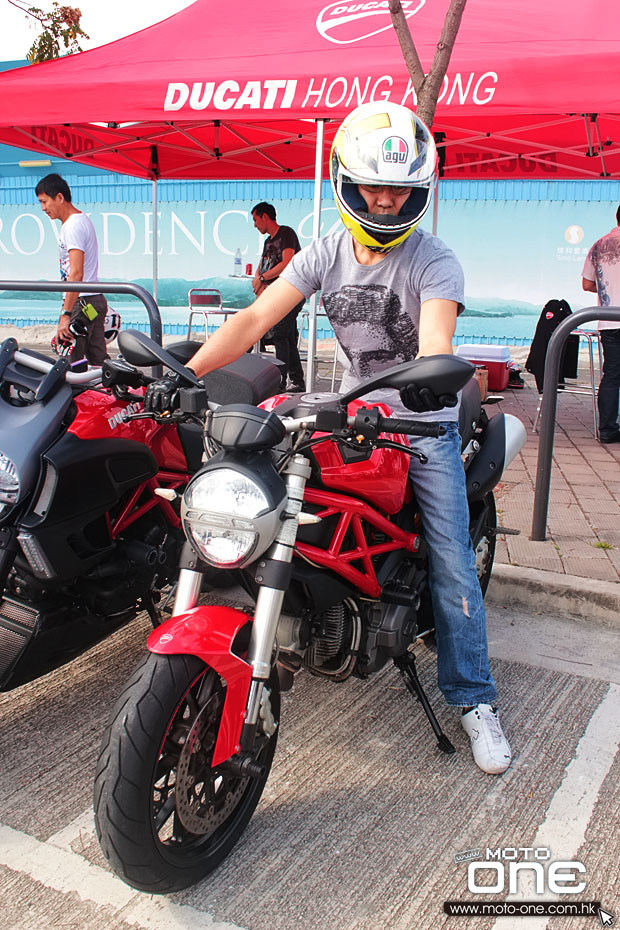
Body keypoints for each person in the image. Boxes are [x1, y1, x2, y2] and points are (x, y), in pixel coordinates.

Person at [145, 102, 511, 775]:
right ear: (347, 182)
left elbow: (435, 339)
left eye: (398, 188)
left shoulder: (435, 261)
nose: (385, 199)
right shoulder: (324, 250)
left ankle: (474, 698)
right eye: (374, 185)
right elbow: (257, 314)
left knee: (455, 560)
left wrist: (427, 381)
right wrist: (185, 373)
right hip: (345, 412)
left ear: (417, 191)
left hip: (418, 426)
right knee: (255, 482)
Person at [35, 173, 109, 366]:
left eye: (44, 202)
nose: (43, 209)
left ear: (59, 197)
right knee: (99, 364)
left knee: (68, 365)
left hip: (81, 303)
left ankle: (72, 397)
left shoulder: (73, 226)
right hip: (93, 300)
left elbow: (76, 273)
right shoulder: (82, 220)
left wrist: (66, 314)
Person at [251, 202, 306, 392]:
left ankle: (280, 382)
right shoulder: (268, 242)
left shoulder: (286, 233)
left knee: (280, 332)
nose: (255, 225)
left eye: (255, 220)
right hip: (275, 294)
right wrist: (258, 281)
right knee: (288, 336)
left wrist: (263, 278)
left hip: (292, 293)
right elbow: (261, 265)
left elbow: (287, 262)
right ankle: (297, 382)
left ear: (265, 217)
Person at [582, 207, 620, 443]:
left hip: (609, 320)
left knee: (612, 375)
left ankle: (607, 429)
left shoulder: (599, 245)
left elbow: (587, 284)